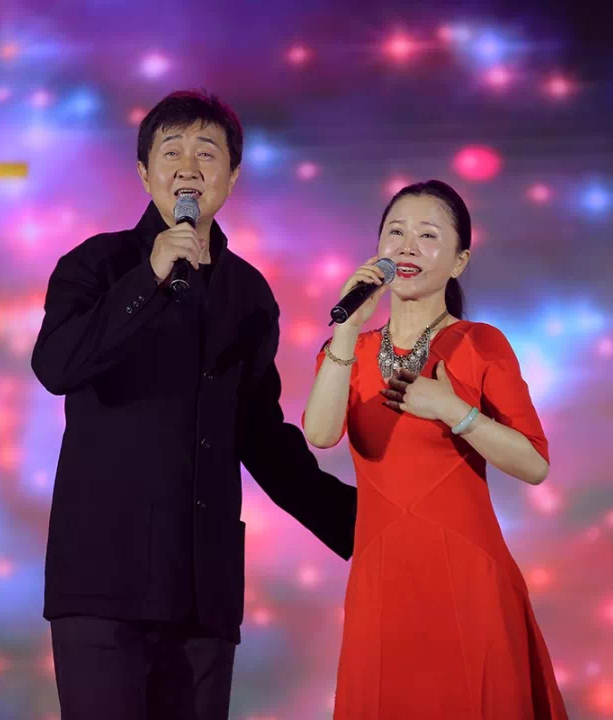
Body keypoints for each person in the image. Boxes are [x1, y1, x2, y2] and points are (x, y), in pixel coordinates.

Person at [31, 89, 357, 720]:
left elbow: (261, 436)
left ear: (231, 176)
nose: (188, 167)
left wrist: (361, 526)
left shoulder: (248, 293)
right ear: (143, 173)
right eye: (171, 151)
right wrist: (146, 280)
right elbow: (56, 366)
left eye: (207, 153)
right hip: (104, 579)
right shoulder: (95, 264)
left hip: (203, 591)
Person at [303, 180, 568, 719]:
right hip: (381, 577)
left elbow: (534, 463)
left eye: (427, 236)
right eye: (395, 232)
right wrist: (348, 331)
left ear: (458, 261)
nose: (407, 247)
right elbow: (321, 433)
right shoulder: (347, 349)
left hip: (468, 574)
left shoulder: (480, 344)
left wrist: (454, 411)